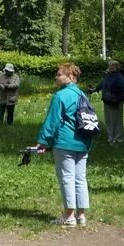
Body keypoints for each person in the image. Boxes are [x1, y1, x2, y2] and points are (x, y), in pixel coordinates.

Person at [33, 62, 92, 226]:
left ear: (71, 76)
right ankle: (81, 215)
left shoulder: (60, 96)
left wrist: (43, 142)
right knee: (80, 178)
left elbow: (52, 121)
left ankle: (68, 216)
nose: (56, 76)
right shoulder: (82, 94)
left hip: (66, 142)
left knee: (67, 177)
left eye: (59, 74)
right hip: (84, 141)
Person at [87, 60, 124, 144]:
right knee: (108, 120)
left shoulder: (119, 76)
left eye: (113, 65)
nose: (110, 67)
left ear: (117, 67)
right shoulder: (107, 76)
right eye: (109, 65)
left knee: (117, 120)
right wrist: (93, 90)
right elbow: (101, 85)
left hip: (117, 102)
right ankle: (111, 137)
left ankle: (118, 138)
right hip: (107, 101)